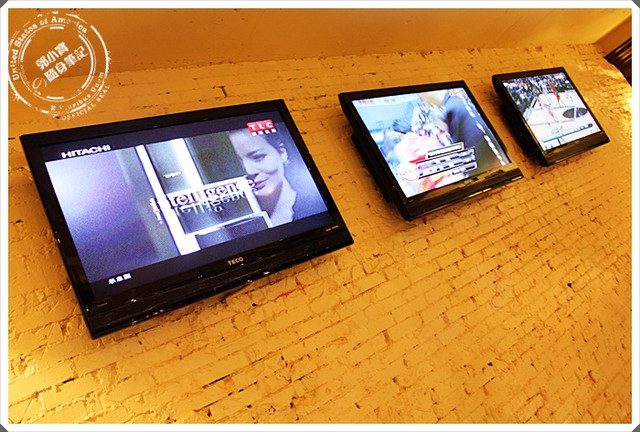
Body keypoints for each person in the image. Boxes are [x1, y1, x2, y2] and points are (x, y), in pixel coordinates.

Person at [227, 128, 326, 226]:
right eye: (237, 162)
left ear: (282, 153)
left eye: (258, 157)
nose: (249, 171)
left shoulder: (316, 207)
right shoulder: (242, 226)